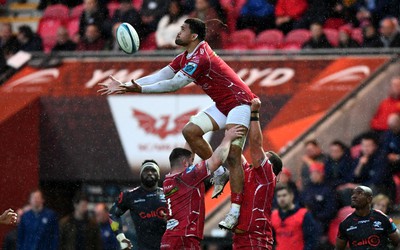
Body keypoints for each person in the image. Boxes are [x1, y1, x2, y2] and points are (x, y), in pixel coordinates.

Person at [99, 18, 256, 229]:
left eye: (183, 29)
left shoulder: (200, 57)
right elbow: (164, 74)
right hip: (222, 104)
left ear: (193, 36)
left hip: (240, 102)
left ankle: (235, 211)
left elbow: (174, 84)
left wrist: (137, 90)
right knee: (190, 131)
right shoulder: (186, 56)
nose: (178, 32)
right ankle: (219, 173)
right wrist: (127, 85)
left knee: (234, 156)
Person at [160, 125, 245, 249]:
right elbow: (216, 160)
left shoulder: (168, 180)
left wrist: (194, 130)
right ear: (184, 162)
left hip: (169, 239)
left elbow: (188, 150)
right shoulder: (187, 177)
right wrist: (227, 138)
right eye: (191, 161)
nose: (192, 164)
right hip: (185, 238)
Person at [232, 98, 283, 249]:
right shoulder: (249, 170)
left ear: (270, 167)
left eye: (264, 157)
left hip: (256, 240)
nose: (259, 157)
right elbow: (233, 153)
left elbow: (255, 144)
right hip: (240, 239)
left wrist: (254, 113)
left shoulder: (267, 176)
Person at [109, 160, 167, 250]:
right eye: (146, 170)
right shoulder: (129, 195)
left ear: (159, 175)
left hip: (168, 246)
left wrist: (172, 219)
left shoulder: (169, 194)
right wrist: (121, 238)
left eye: (153, 170)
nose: (149, 173)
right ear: (140, 175)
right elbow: (112, 214)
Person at [336, 185, 400, 249]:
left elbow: (398, 242)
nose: (354, 196)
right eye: (353, 193)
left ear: (369, 199)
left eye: (359, 193)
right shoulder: (346, 223)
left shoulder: (383, 218)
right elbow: (338, 248)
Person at [271, 185, 319, 250]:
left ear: (291, 196)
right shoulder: (273, 215)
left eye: (284, 195)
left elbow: (312, 239)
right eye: (279, 196)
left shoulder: (304, 214)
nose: (281, 199)